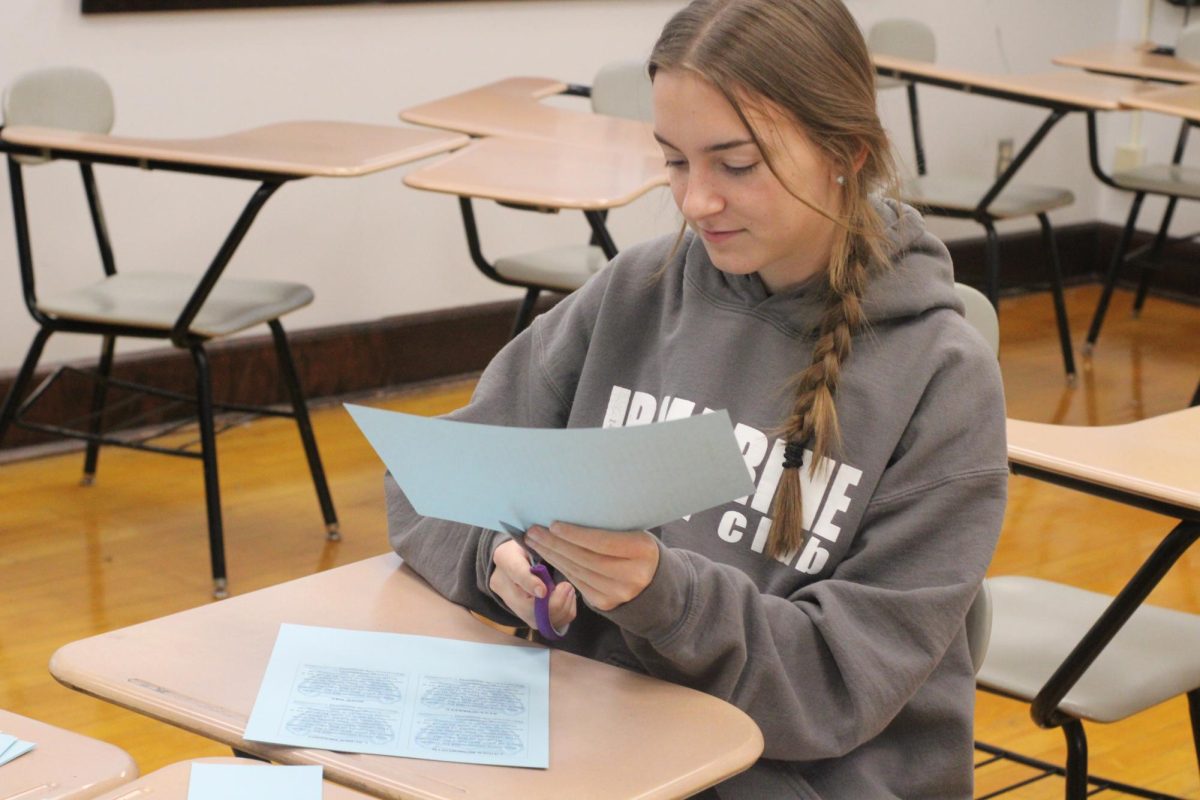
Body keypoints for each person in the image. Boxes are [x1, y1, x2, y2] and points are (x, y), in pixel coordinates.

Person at [387, 0, 1007, 796]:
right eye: (675, 161)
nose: (695, 201)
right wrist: (495, 558)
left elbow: (836, 685)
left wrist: (661, 595)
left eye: (736, 165)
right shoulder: (636, 290)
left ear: (846, 153)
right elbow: (428, 482)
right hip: (594, 739)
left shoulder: (940, 377)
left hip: (788, 774)